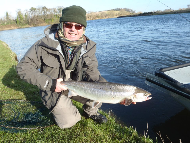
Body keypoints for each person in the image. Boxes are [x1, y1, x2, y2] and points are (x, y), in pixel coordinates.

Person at [16, 5, 148, 129]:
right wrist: (50, 83)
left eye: (78, 26)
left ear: (83, 29)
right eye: (69, 25)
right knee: (69, 122)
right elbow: (22, 68)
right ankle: (61, 105)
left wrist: (116, 96)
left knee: (102, 87)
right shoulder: (43, 45)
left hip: (77, 85)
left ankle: (90, 111)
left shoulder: (88, 47)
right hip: (53, 87)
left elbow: (93, 74)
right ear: (61, 25)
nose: (73, 29)